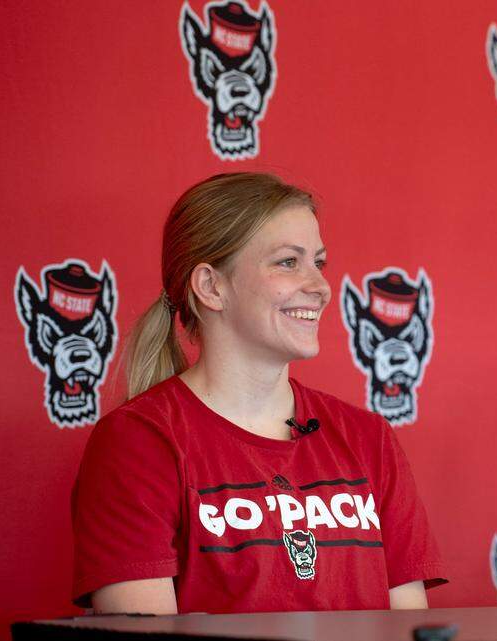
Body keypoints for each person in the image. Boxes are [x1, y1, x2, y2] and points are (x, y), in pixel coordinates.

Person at [71, 173, 445, 614]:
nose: (321, 287)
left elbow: (408, 626)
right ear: (211, 287)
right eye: (288, 262)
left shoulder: (369, 439)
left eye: (319, 263)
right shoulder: (138, 443)